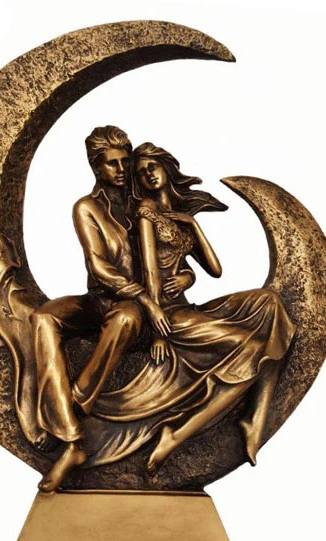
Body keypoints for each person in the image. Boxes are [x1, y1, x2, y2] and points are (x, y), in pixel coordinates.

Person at [86, 142, 296, 474]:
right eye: (141, 172)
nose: (148, 174)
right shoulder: (145, 214)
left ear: (167, 167)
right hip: (166, 314)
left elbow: (214, 269)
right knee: (253, 347)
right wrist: (158, 331)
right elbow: (150, 273)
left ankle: (256, 417)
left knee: (270, 305)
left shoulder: (176, 214)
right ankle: (177, 435)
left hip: (186, 305)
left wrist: (191, 229)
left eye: (153, 166)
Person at [30, 127, 194, 491]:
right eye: (112, 164)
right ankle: (71, 435)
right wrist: (144, 298)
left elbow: (177, 254)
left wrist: (183, 279)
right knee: (43, 317)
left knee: (124, 318)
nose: (121, 169)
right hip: (101, 298)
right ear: (96, 167)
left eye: (125, 161)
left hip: (134, 308)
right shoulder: (87, 208)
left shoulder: (145, 205)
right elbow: (99, 266)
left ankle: (74, 405)